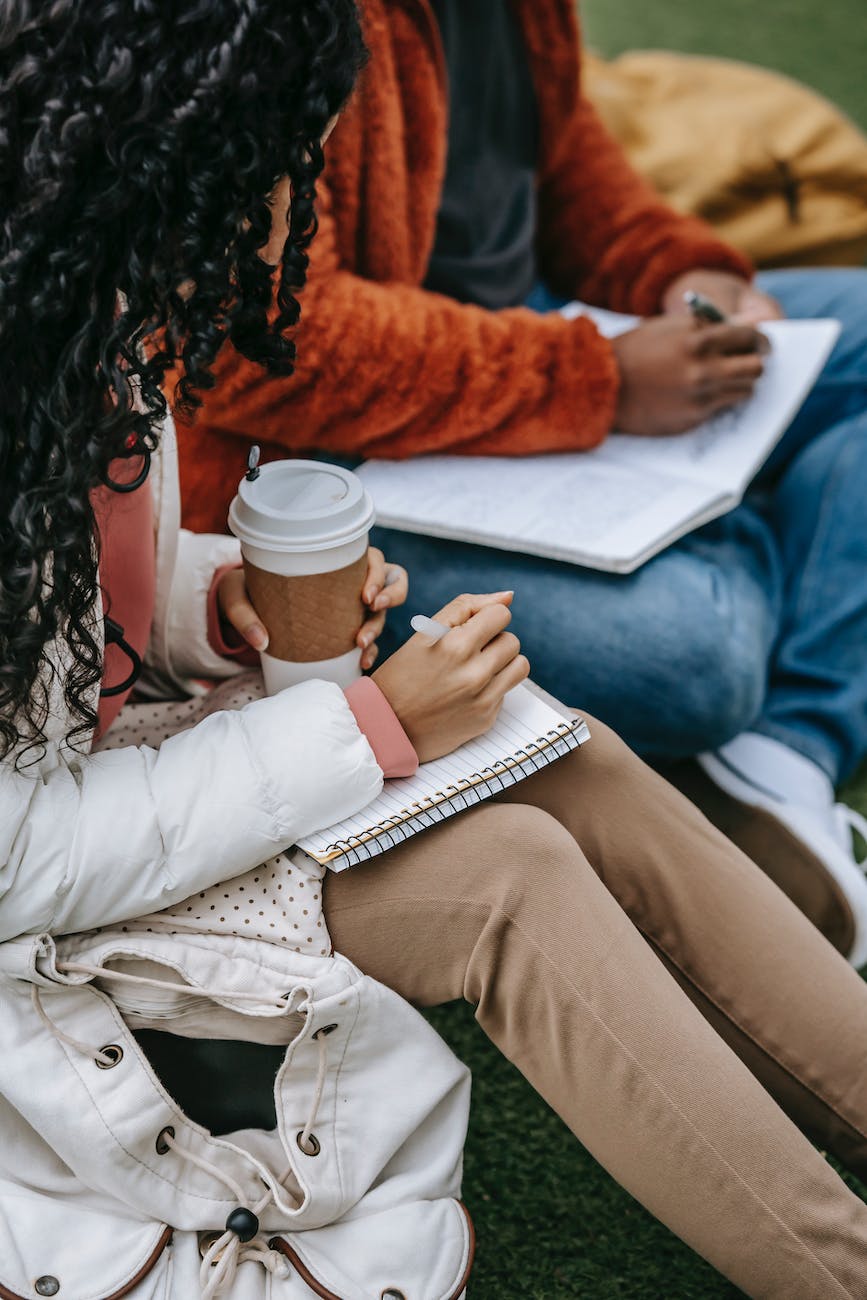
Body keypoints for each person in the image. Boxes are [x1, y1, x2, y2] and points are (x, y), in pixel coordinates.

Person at [7, 3, 867, 1298]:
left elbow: (78, 608)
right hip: (52, 902)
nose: (297, 210)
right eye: (283, 166)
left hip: (130, 777)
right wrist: (366, 727)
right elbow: (18, 856)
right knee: (512, 870)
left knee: (565, 752)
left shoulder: (102, 316)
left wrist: (213, 600)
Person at [174, 0, 867, 962]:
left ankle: (781, 759)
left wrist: (678, 275)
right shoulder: (267, 28)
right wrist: (603, 382)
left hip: (540, 337)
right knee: (696, 654)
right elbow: (260, 343)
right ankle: (750, 538)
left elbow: (565, 154)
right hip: (338, 457)